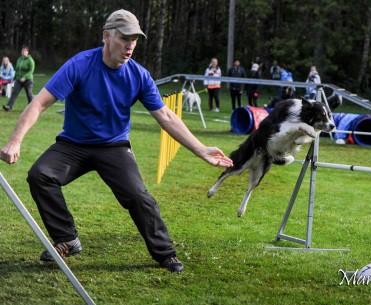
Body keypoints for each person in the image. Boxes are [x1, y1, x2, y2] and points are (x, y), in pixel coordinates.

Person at [0, 9, 233, 273]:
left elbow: (166, 117)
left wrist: (201, 149)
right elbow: (40, 103)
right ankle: (66, 238)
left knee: (138, 196)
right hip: (74, 144)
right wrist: (15, 141)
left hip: (114, 147)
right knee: (40, 175)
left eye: (134, 39)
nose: (130, 45)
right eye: (124, 38)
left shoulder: (139, 75)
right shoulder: (80, 64)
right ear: (106, 36)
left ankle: (165, 253)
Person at [2, 46, 35, 111]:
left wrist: (25, 77)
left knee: (29, 94)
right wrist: (13, 78)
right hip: (19, 80)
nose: (23, 52)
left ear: (27, 52)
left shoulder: (30, 60)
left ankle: (32, 107)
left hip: (28, 80)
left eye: (25, 51)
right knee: (14, 92)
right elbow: (17, 70)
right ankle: (9, 107)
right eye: (22, 51)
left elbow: (31, 71)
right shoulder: (19, 59)